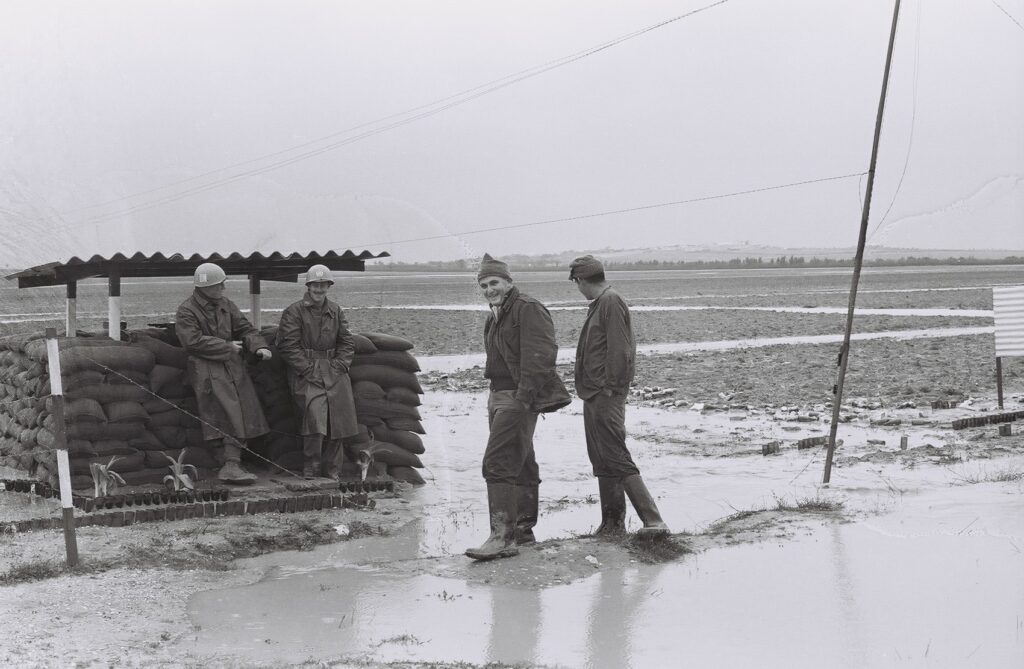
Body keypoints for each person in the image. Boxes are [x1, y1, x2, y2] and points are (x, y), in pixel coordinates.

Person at [465, 253, 570, 561]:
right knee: (521, 461)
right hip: (498, 395)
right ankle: (523, 531)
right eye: (484, 285)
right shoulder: (495, 314)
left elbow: (541, 355)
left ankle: (501, 538)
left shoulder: (527, 309)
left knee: (496, 462)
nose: (488, 290)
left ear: (509, 282)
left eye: (494, 282)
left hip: (517, 397)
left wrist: (524, 398)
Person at [569, 255, 670, 538]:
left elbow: (620, 349)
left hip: (605, 394)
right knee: (601, 456)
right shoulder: (602, 303)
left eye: (576, 283)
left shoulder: (610, 302)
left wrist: (611, 387)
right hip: (595, 393)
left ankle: (653, 520)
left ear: (579, 281)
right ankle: (612, 525)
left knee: (614, 453)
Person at [175, 262, 273, 485]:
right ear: (205, 287)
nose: (223, 289)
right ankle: (229, 463)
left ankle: (232, 463)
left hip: (232, 366)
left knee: (244, 409)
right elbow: (191, 341)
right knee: (225, 412)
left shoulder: (226, 305)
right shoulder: (187, 310)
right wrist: (226, 346)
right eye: (219, 285)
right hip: (206, 368)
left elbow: (245, 328)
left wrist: (258, 346)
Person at [275, 264, 359, 479]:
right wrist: (307, 369)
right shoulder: (294, 311)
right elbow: (288, 346)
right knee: (314, 419)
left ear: (328, 286)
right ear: (308, 286)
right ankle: (311, 466)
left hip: (334, 370)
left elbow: (347, 342)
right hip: (307, 372)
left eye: (323, 285)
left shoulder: (336, 310)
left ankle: (333, 469)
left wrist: (340, 365)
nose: (319, 289)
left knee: (340, 420)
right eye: (315, 285)